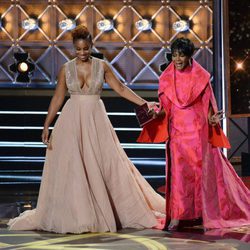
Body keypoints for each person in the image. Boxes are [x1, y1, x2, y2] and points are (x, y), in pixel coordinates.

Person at [8, 25, 165, 234]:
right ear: (73, 48)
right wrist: (47, 124)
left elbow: (120, 88)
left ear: (91, 46)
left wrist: (144, 103)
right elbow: (57, 98)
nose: (82, 53)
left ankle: (105, 210)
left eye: (86, 49)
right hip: (71, 120)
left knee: (104, 164)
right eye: (78, 49)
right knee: (73, 168)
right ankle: (79, 214)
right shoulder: (66, 68)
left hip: (95, 120)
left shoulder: (102, 66)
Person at [138, 38, 250, 231]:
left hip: (198, 134)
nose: (177, 59)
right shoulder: (166, 77)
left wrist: (212, 120)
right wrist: (156, 113)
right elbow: (166, 109)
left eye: (181, 55)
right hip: (177, 134)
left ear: (190, 56)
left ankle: (202, 214)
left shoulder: (201, 76)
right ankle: (177, 217)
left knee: (201, 176)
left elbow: (207, 106)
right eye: (174, 55)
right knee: (179, 177)